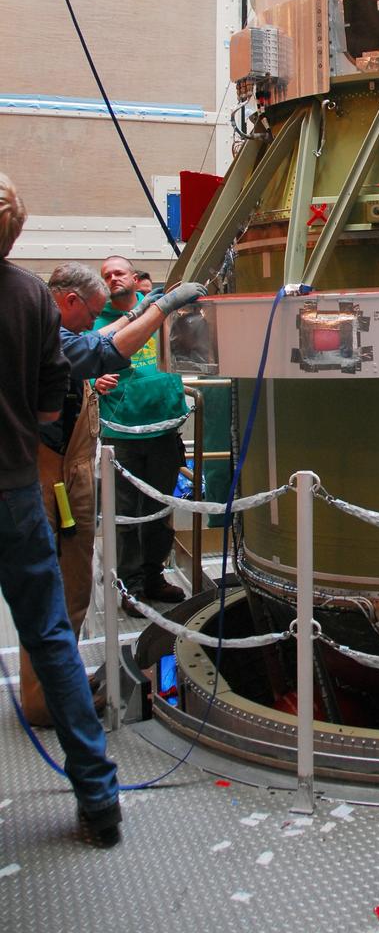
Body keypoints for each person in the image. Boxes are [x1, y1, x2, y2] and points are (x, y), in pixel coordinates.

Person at [20, 262, 206, 723]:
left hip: (64, 472)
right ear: (69, 301)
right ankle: (46, 699)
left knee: (71, 587)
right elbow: (101, 350)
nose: (93, 321)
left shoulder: (55, 329)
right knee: (55, 589)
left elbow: (98, 339)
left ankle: (58, 678)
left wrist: (139, 311)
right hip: (50, 479)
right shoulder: (52, 338)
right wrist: (162, 307)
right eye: (90, 312)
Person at [0, 173, 121, 846]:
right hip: (16, 491)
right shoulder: (29, 298)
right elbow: (50, 412)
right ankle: (99, 800)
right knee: (51, 638)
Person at [94, 255, 200, 614]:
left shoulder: (160, 311)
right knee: (125, 516)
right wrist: (94, 380)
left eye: (119, 273)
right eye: (106, 275)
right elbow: (80, 364)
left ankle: (154, 577)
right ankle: (131, 587)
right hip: (122, 436)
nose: (113, 279)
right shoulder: (99, 325)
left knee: (158, 510)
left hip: (163, 430)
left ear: (133, 276)